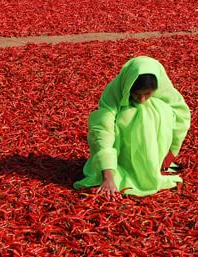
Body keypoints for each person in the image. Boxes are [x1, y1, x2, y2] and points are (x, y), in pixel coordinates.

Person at [74, 56, 190, 197]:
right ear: (128, 87)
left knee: (157, 110)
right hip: (121, 157)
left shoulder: (165, 91)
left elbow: (181, 117)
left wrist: (171, 154)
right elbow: (103, 130)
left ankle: (150, 165)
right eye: (136, 94)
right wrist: (108, 175)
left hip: (155, 155)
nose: (141, 99)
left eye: (147, 94)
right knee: (130, 113)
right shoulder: (114, 92)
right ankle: (127, 169)